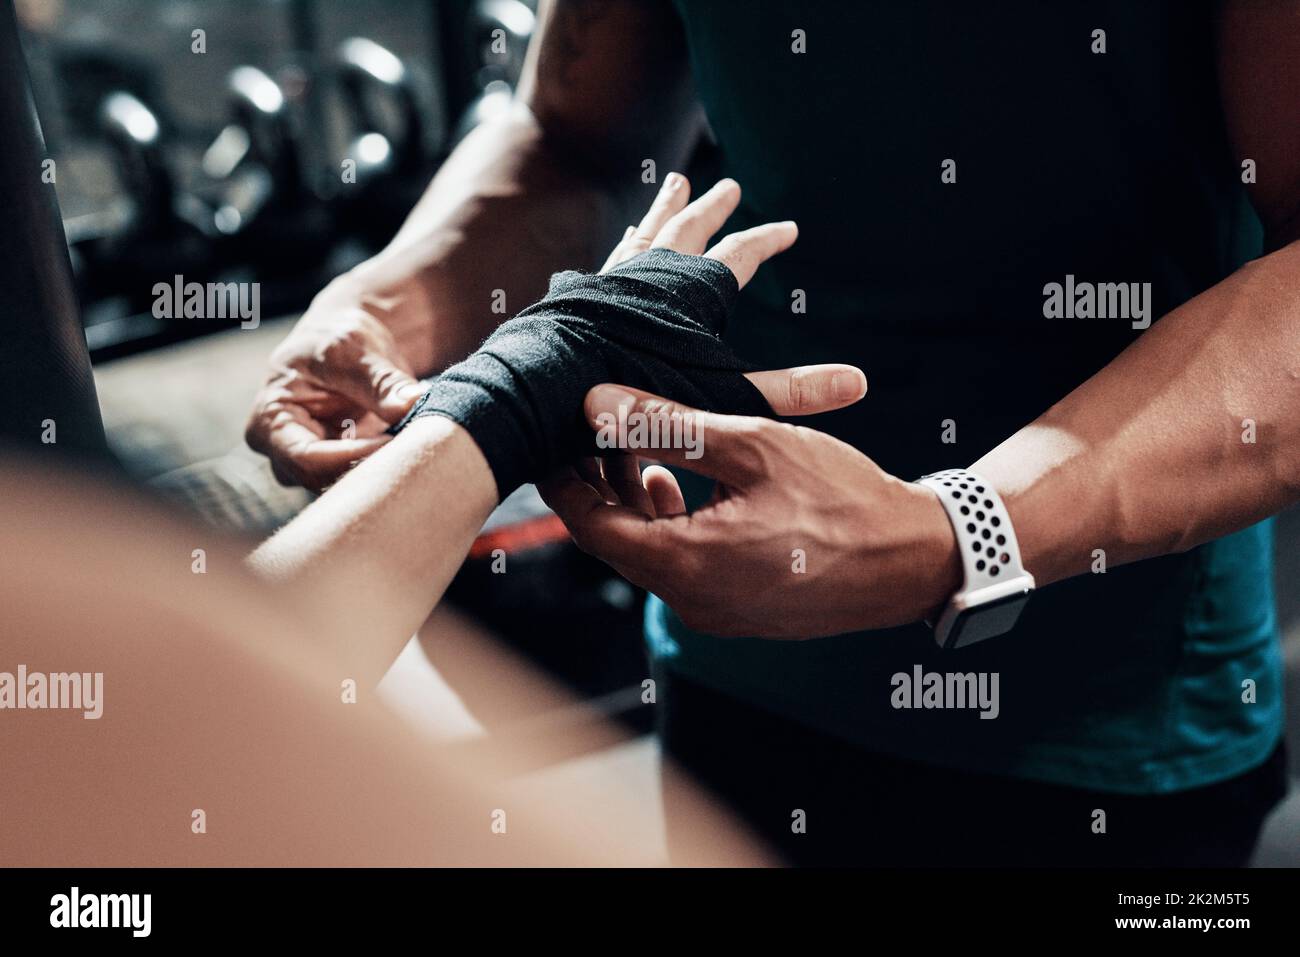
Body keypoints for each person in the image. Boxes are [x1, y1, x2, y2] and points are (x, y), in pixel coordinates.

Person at [247, 1, 1298, 865]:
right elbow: (573, 137)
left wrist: (960, 534)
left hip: (1100, 726)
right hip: (737, 657)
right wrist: (390, 301)